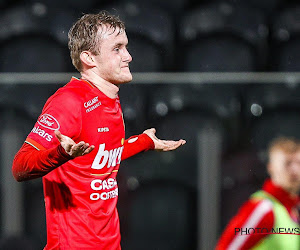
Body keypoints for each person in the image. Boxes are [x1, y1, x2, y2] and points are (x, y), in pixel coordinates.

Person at [12, 11, 186, 250]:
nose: (129, 56)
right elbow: (20, 167)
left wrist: (145, 141)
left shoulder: (109, 98)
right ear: (89, 58)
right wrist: (61, 155)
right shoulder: (69, 102)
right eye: (117, 49)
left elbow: (100, 156)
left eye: (126, 47)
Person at [216, 137, 300, 250]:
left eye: (298, 163)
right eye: (287, 163)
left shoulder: (293, 210)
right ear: (271, 168)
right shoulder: (264, 209)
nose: (294, 170)